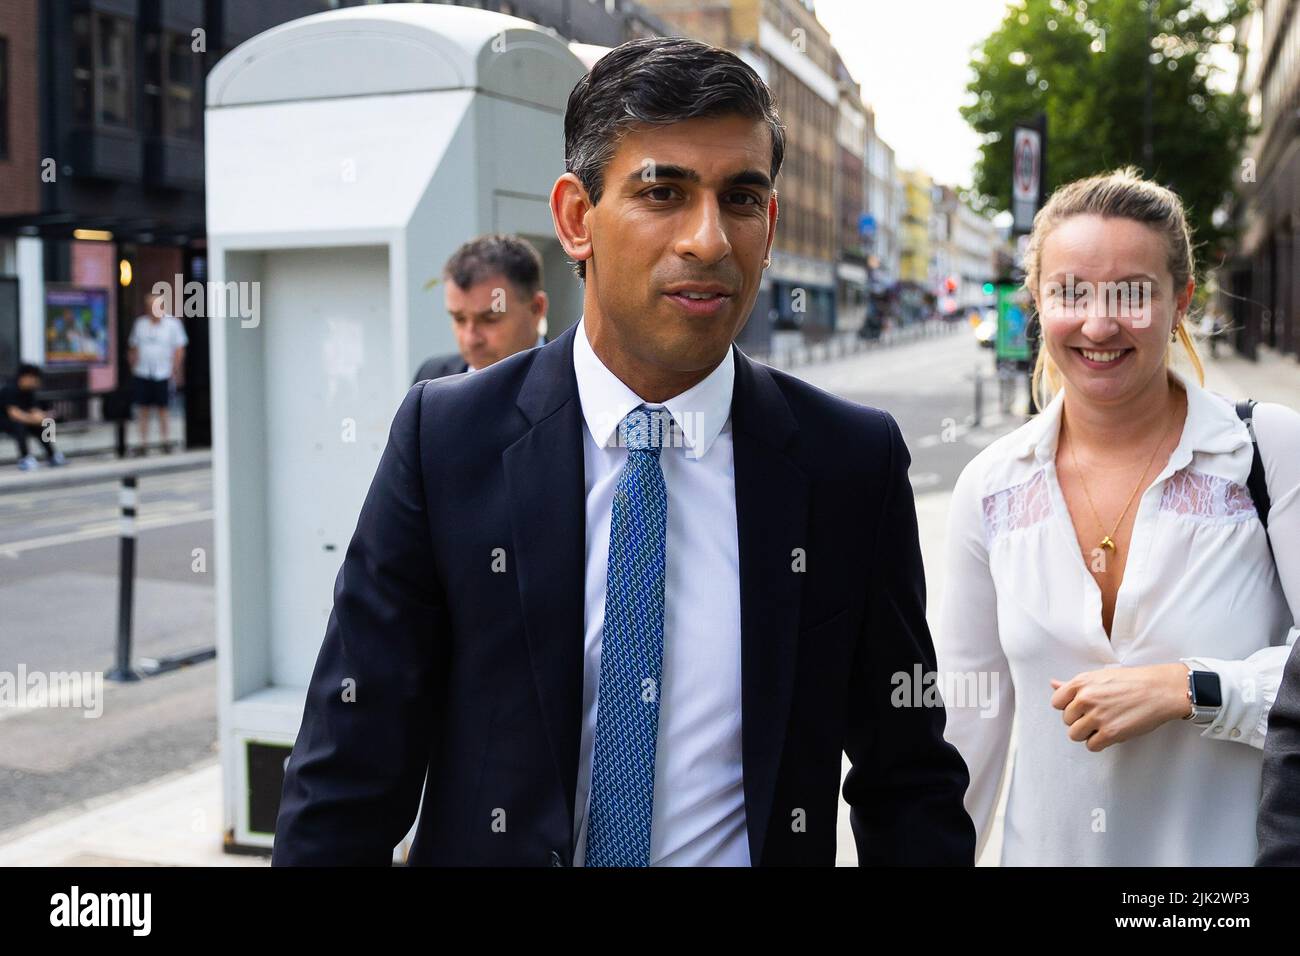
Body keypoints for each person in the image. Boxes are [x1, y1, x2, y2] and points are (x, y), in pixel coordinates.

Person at [274, 36, 975, 867]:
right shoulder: (446, 441)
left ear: (769, 223)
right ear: (577, 219)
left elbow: (909, 779)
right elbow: (350, 772)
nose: (709, 239)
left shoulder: (849, 463)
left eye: (741, 198)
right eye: (663, 192)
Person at [936, 168, 1300, 866]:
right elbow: (964, 733)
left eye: (1132, 293)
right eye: (1070, 291)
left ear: (1181, 300)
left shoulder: (1266, 453)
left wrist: (1194, 687)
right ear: (1038, 301)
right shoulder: (990, 487)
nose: (1099, 323)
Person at [411, 234, 548, 383]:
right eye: (459, 319)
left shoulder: (571, 381)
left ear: (536, 308)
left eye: (489, 319)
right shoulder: (432, 377)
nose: (471, 339)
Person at [127, 291, 187, 454]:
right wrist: (133, 366)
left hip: (163, 372)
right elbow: (133, 347)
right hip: (143, 371)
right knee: (143, 409)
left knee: (163, 408)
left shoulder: (172, 324)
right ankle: (143, 443)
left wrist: (175, 368)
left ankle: (165, 441)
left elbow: (179, 348)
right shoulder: (140, 324)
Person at [1, 364, 66, 471]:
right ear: (25, 377)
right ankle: (25, 458)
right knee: (19, 425)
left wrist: (43, 418)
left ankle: (52, 455)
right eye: (34, 379)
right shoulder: (10, 389)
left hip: (23, 419)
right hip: (5, 421)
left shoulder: (29, 392)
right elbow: (14, 413)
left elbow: (35, 410)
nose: (36, 382)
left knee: (45, 425)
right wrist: (34, 419)